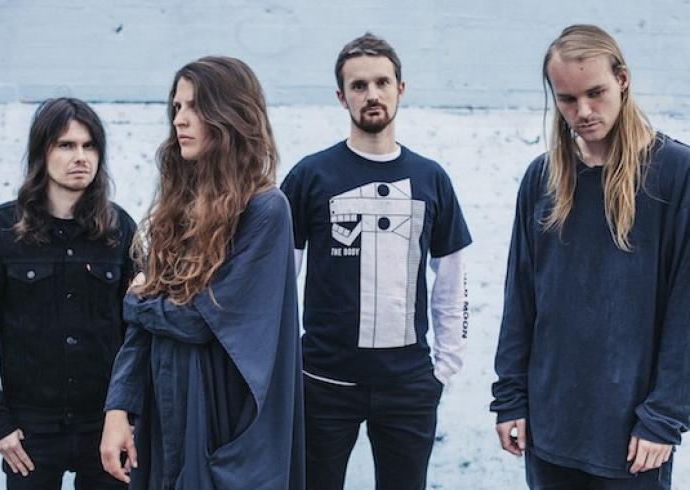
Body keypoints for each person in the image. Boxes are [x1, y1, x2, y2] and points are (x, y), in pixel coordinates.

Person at [491, 24, 690, 489]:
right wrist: (511, 397)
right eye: (566, 99)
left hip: (633, 439)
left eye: (595, 93)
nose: (582, 111)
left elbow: (686, 308)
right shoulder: (542, 178)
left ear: (622, 79)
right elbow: (521, 298)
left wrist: (664, 417)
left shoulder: (675, 173)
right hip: (549, 428)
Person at [99, 56, 305, 489]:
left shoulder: (265, 209)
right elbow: (142, 333)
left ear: (230, 115)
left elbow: (200, 320)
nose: (180, 119)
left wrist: (138, 300)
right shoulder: (177, 206)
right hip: (162, 408)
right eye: (177, 107)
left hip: (217, 416)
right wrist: (117, 410)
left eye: (195, 107)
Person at [281, 33, 472, 490]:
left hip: (409, 388)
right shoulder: (310, 175)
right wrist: (286, 368)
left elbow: (452, 278)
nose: (372, 94)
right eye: (359, 85)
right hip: (323, 384)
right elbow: (279, 281)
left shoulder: (431, 178)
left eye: (382, 82)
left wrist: (443, 370)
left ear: (400, 89)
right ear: (341, 96)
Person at [0, 97, 136, 489]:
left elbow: (137, 331)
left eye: (90, 146)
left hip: (105, 427)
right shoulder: (0, 230)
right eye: (66, 145)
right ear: (42, 152)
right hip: (29, 432)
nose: (80, 157)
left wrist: (128, 415)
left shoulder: (120, 229)